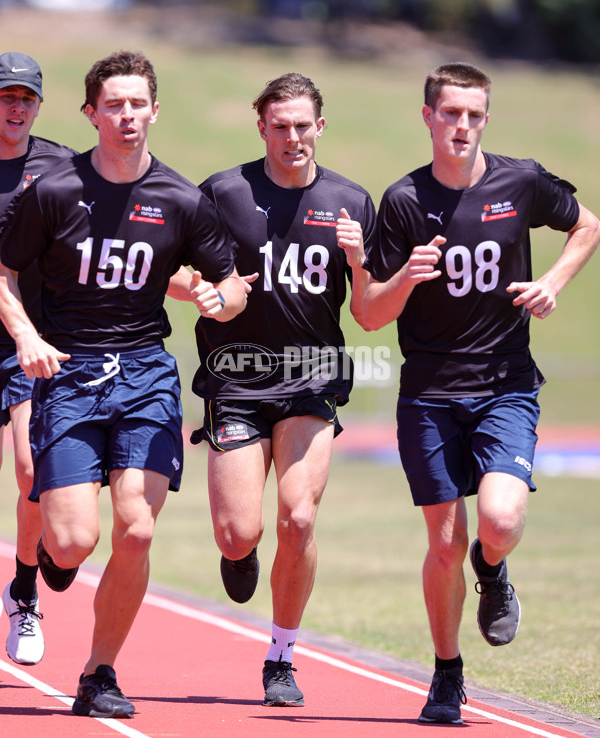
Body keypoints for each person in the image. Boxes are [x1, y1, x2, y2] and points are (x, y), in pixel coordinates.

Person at [0, 50, 247, 719]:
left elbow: (226, 283)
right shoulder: (52, 190)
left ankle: (99, 672)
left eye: (138, 104)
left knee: (136, 530)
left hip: (145, 376)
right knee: (75, 541)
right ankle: (49, 561)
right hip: (70, 374)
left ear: (155, 111)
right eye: (114, 104)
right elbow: (4, 270)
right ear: (91, 114)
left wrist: (223, 301)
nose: (128, 116)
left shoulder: (180, 199)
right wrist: (26, 335)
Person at [361, 62, 600, 724]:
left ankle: (491, 570)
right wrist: (407, 276)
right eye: (450, 113)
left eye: (473, 114)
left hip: (505, 386)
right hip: (430, 394)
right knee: (441, 544)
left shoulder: (519, 181)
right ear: (428, 117)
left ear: (485, 119)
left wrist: (552, 281)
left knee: (496, 522)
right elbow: (370, 314)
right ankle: (446, 673)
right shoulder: (404, 200)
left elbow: (588, 226)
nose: (461, 125)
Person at [192, 72, 375, 707]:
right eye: (280, 125)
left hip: (311, 378)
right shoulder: (223, 192)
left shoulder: (352, 200)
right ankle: (238, 553)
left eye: (303, 125)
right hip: (236, 379)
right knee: (239, 532)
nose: (292, 136)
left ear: (319, 127)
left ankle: (281, 655)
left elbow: (373, 313)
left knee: (297, 517)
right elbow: (178, 263)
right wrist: (209, 292)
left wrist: (359, 265)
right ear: (261, 126)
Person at [0, 51, 78, 666]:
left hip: (31, 338)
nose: (16, 106)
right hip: (14, 325)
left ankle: (24, 593)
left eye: (26, 97)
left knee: (32, 476)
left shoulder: (58, 166)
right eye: (6, 97)